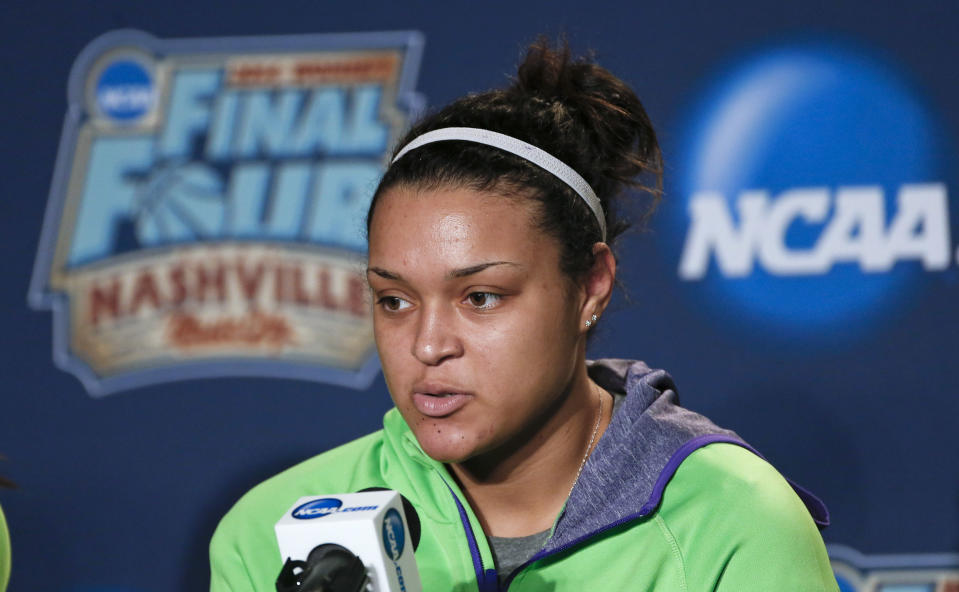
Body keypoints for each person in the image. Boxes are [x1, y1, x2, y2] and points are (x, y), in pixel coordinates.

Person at [210, 39, 838, 591]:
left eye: (480, 297)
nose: (427, 346)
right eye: (394, 300)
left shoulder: (734, 523)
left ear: (591, 285)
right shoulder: (271, 534)